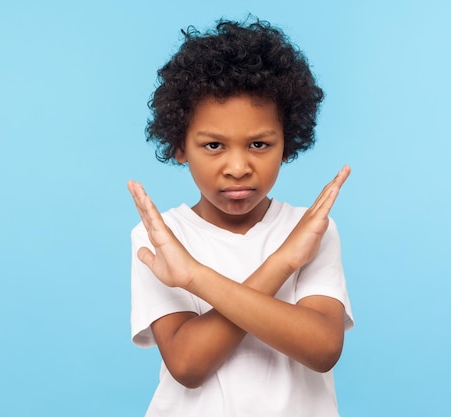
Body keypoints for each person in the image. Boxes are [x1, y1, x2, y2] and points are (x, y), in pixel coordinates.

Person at [128, 18, 353, 417]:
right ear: (180, 146)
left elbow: (322, 349)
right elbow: (187, 364)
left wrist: (199, 279)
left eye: (259, 144)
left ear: (287, 144)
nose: (237, 167)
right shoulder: (163, 237)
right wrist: (281, 263)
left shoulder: (312, 231)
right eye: (213, 145)